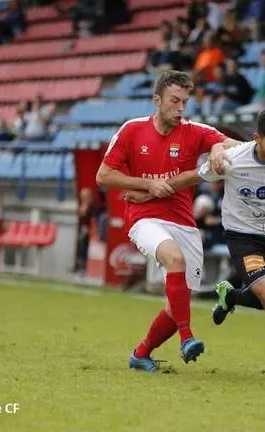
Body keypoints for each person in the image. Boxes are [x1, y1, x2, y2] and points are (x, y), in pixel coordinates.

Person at [126, 108, 265, 383]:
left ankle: (231, 296)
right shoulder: (232, 160)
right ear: (257, 138)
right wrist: (149, 191)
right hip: (243, 237)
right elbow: (190, 177)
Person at [96, 70, 241, 372]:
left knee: (178, 305)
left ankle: (140, 353)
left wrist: (216, 146)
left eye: (185, 102)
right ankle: (187, 339)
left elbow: (235, 145)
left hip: (184, 223)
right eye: (174, 101)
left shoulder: (194, 130)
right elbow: (103, 176)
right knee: (175, 260)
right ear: (157, 100)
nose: (180, 108)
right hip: (144, 218)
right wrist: (146, 185)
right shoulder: (132, 130)